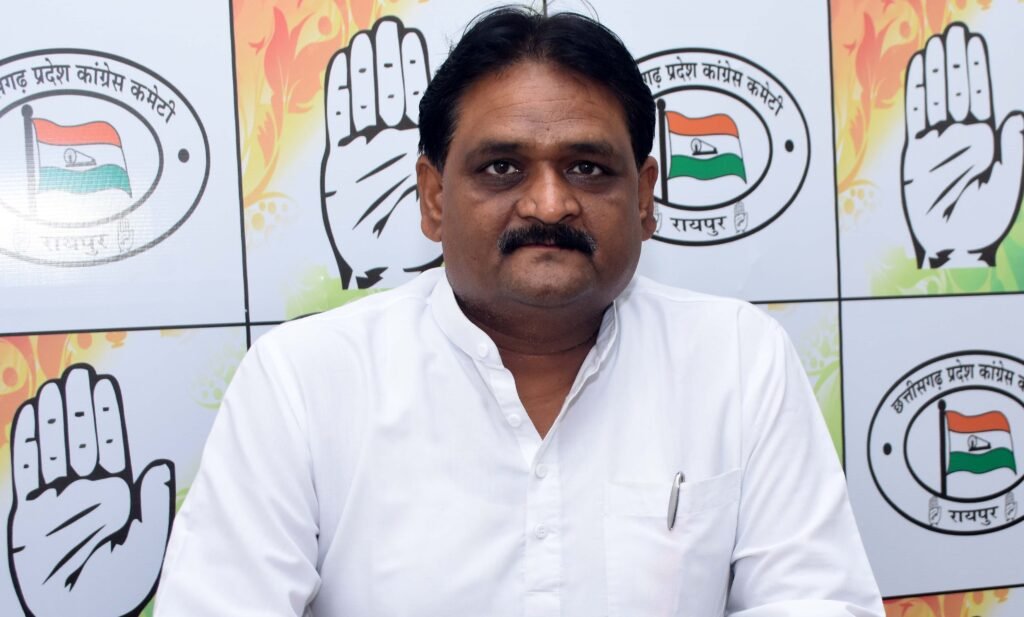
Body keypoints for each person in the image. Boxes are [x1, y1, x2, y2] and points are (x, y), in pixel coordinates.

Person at [154, 7, 884, 616]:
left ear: (643, 197)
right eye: (502, 167)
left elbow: (817, 602)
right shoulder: (303, 380)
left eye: (587, 168)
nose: (549, 203)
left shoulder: (738, 358)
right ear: (434, 198)